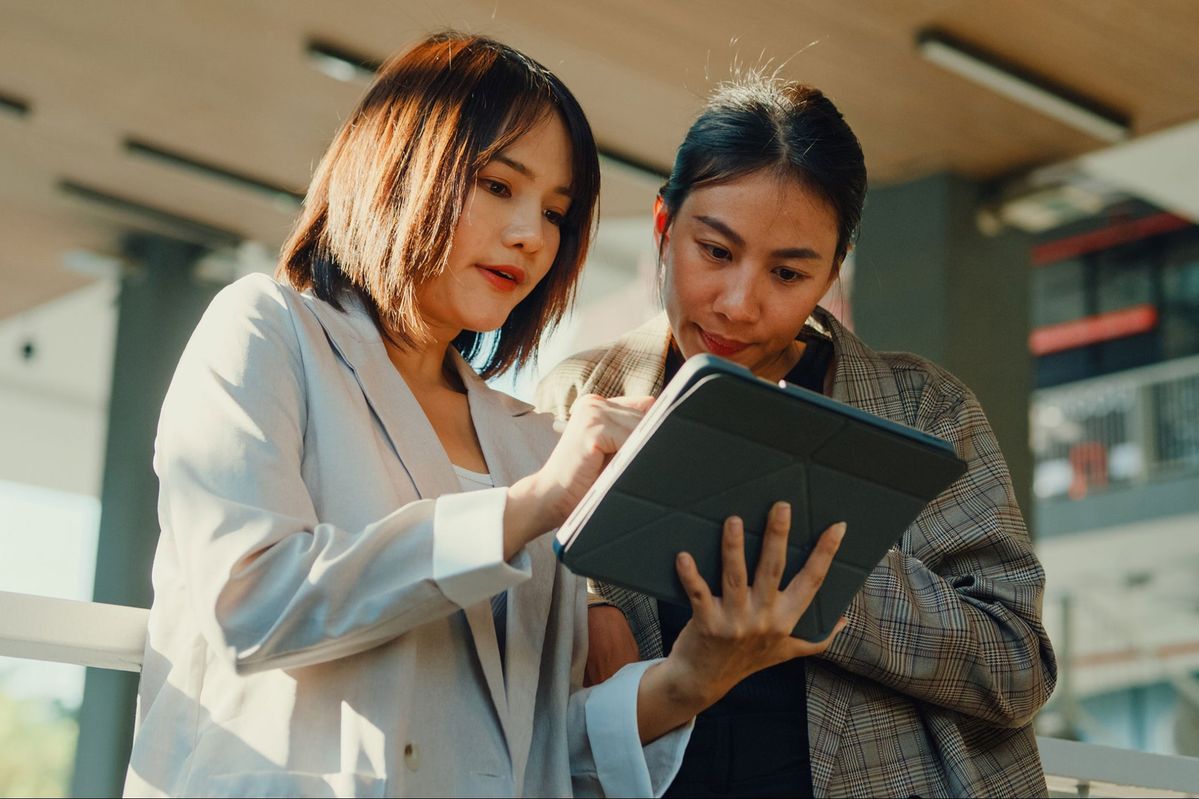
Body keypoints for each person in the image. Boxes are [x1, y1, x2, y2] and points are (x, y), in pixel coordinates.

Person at [124, 34, 850, 798]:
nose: (531, 235)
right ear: (401, 164)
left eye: (556, 213)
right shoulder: (267, 330)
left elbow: (537, 745)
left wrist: (696, 673)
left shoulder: (531, 437)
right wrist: (527, 508)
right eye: (498, 186)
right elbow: (249, 605)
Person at [537, 78, 1058, 798]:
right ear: (663, 225)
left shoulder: (925, 409)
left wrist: (822, 580)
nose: (739, 303)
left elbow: (1015, 666)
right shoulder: (575, 398)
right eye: (714, 251)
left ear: (832, 268)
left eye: (787, 272)